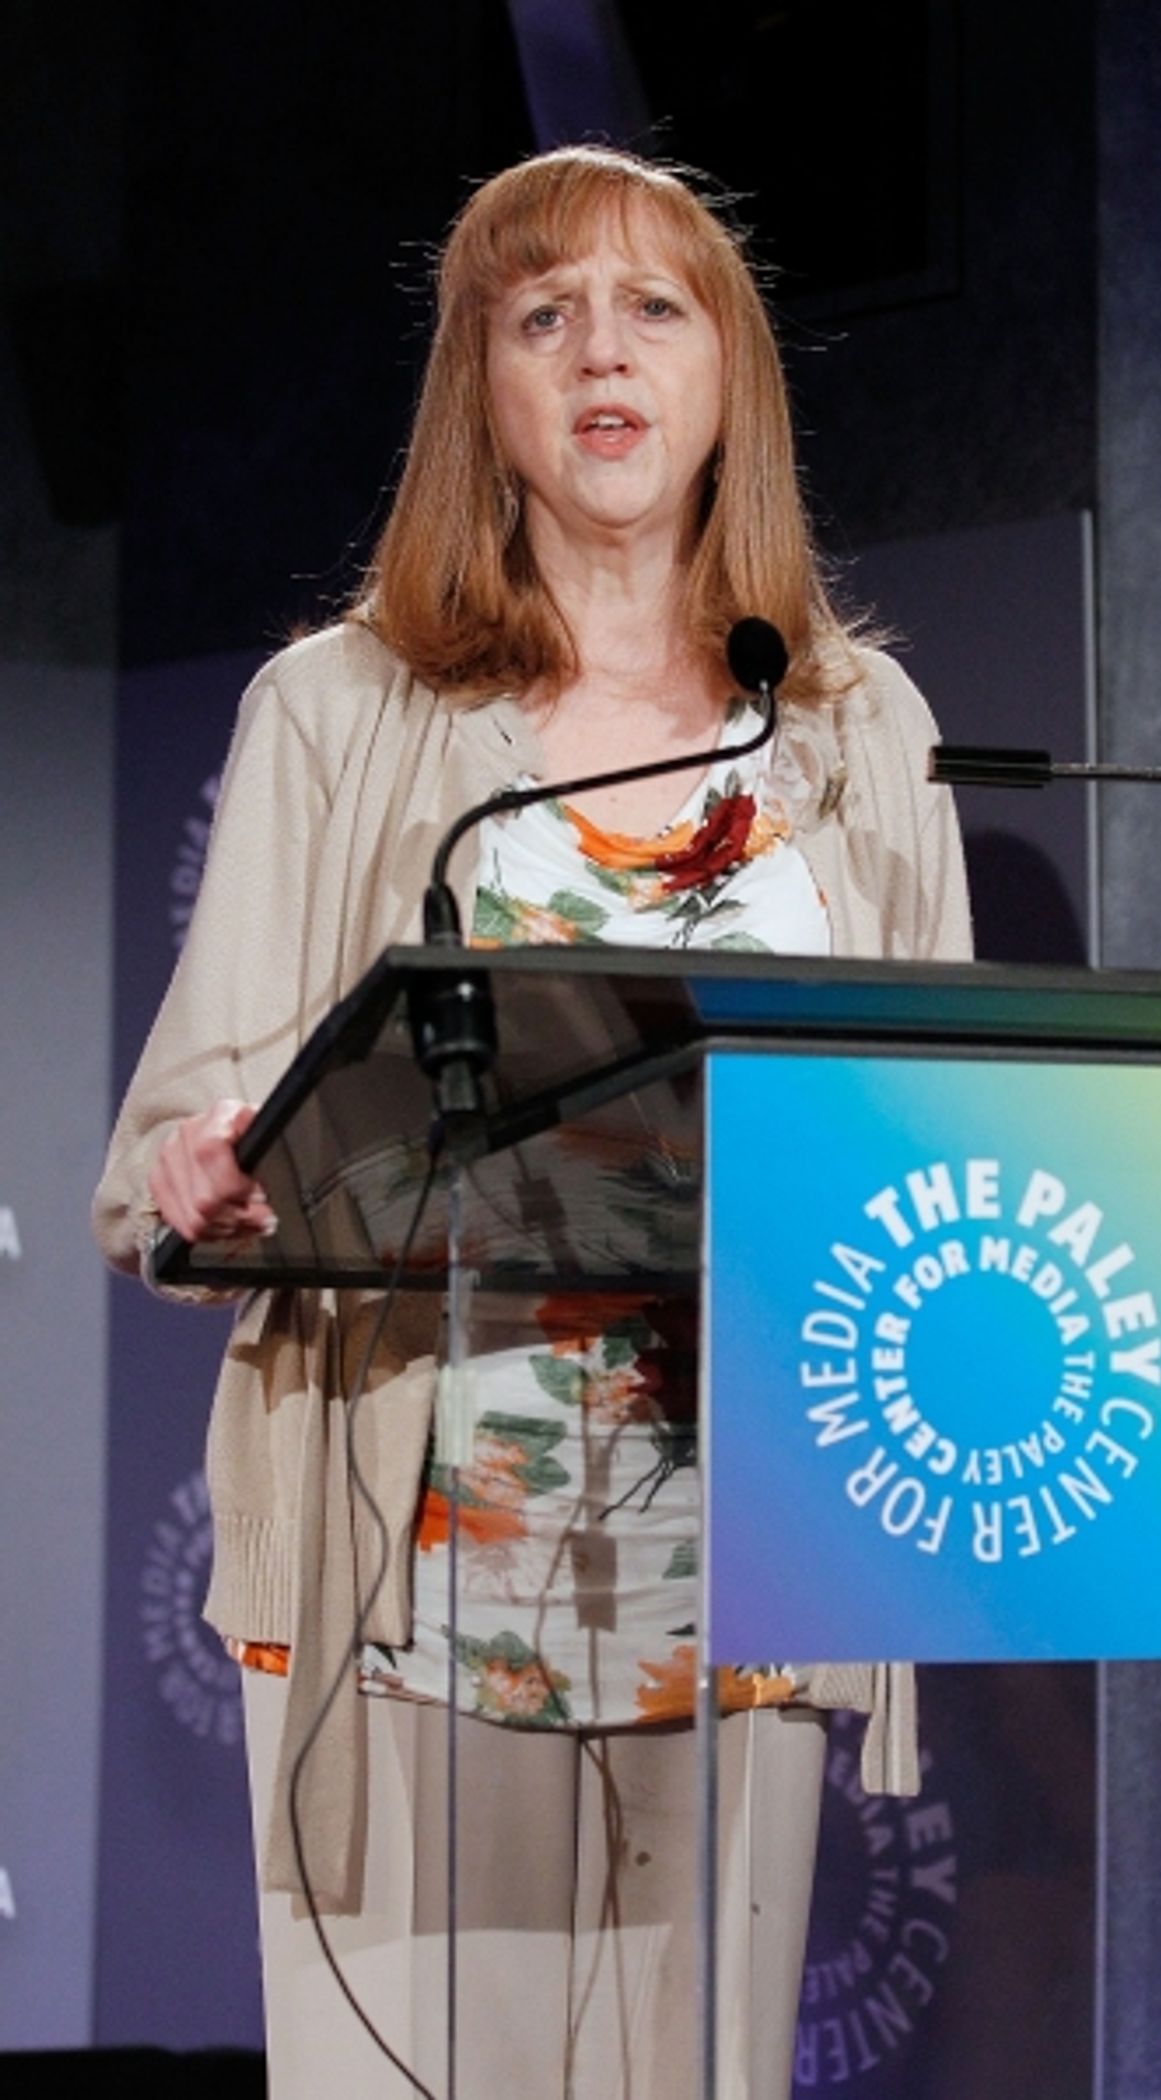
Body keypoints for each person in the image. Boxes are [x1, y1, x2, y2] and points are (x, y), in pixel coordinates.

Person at [93, 146, 972, 2099]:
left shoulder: (854, 735)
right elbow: (170, 1140)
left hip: (744, 1591)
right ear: (477, 386)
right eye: (543, 309)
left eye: (658, 308)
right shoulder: (342, 710)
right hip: (414, 1590)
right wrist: (198, 1168)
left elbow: (941, 1159)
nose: (604, 348)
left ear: (729, 377)